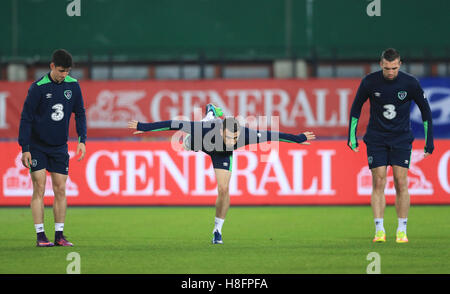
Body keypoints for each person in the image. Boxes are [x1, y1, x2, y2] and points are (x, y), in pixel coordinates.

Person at [128, 104, 316, 244]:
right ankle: (210, 115)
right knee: (188, 144)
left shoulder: (244, 135)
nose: (231, 140)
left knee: (224, 189)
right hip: (201, 141)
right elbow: (173, 124)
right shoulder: (203, 130)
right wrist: (144, 127)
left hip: (221, 155)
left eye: (234, 138)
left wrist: (298, 138)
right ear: (220, 130)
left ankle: (217, 230)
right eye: (228, 136)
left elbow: (272, 135)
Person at [347, 48, 434, 243]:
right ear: (381, 64)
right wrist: (351, 136)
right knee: (378, 182)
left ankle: (402, 230)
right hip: (376, 138)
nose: (390, 72)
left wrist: (429, 140)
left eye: (394, 68)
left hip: (401, 138)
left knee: (401, 182)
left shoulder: (410, 83)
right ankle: (379, 230)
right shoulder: (369, 81)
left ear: (400, 64)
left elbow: (426, 111)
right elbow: (356, 108)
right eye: (387, 68)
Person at [18, 49, 87, 247]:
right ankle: (41, 236)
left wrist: (82, 140)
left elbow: (80, 113)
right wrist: (25, 147)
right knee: (39, 187)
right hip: (38, 146)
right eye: (60, 70)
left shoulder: (73, 86)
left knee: (60, 189)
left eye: (67, 71)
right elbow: (26, 117)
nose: (63, 75)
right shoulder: (38, 88)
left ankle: (59, 235)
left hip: (59, 147)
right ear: (51, 66)